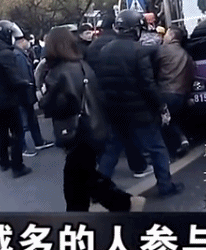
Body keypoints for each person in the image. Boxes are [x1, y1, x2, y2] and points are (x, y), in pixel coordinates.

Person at [39, 27, 145, 212]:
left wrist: (42, 96)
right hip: (94, 127)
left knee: (76, 184)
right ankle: (125, 204)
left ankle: (125, 204)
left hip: (77, 133)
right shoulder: (82, 65)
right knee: (84, 179)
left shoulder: (58, 73)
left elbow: (56, 105)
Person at [94, 9, 184, 198]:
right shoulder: (138, 50)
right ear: (135, 29)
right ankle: (165, 186)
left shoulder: (105, 50)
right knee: (157, 148)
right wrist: (161, 106)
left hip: (114, 110)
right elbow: (147, 84)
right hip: (140, 111)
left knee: (112, 151)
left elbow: (101, 83)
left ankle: (97, 189)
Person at [86, 12, 149, 177]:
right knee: (128, 135)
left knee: (115, 136)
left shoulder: (93, 47)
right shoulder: (121, 44)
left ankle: (103, 172)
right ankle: (138, 166)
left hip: (104, 95)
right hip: (128, 94)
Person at [0, 20, 33, 179]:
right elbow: (14, 78)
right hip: (8, 101)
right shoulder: (6, 54)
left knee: (0, 133)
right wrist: (26, 84)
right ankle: (18, 166)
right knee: (17, 133)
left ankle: (4, 161)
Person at [13, 32, 53, 156]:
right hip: (24, 92)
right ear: (22, 41)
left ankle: (38, 142)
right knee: (25, 120)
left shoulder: (20, 54)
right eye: (28, 40)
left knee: (30, 118)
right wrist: (31, 88)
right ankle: (25, 146)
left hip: (25, 92)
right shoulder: (19, 55)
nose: (29, 43)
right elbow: (24, 75)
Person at [157, 26, 194, 158]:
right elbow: (191, 76)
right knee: (173, 120)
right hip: (182, 95)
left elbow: (152, 68)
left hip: (166, 92)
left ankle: (167, 153)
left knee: (163, 122)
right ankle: (183, 140)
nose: (164, 37)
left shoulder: (162, 50)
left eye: (166, 34)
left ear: (172, 36)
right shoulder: (187, 55)